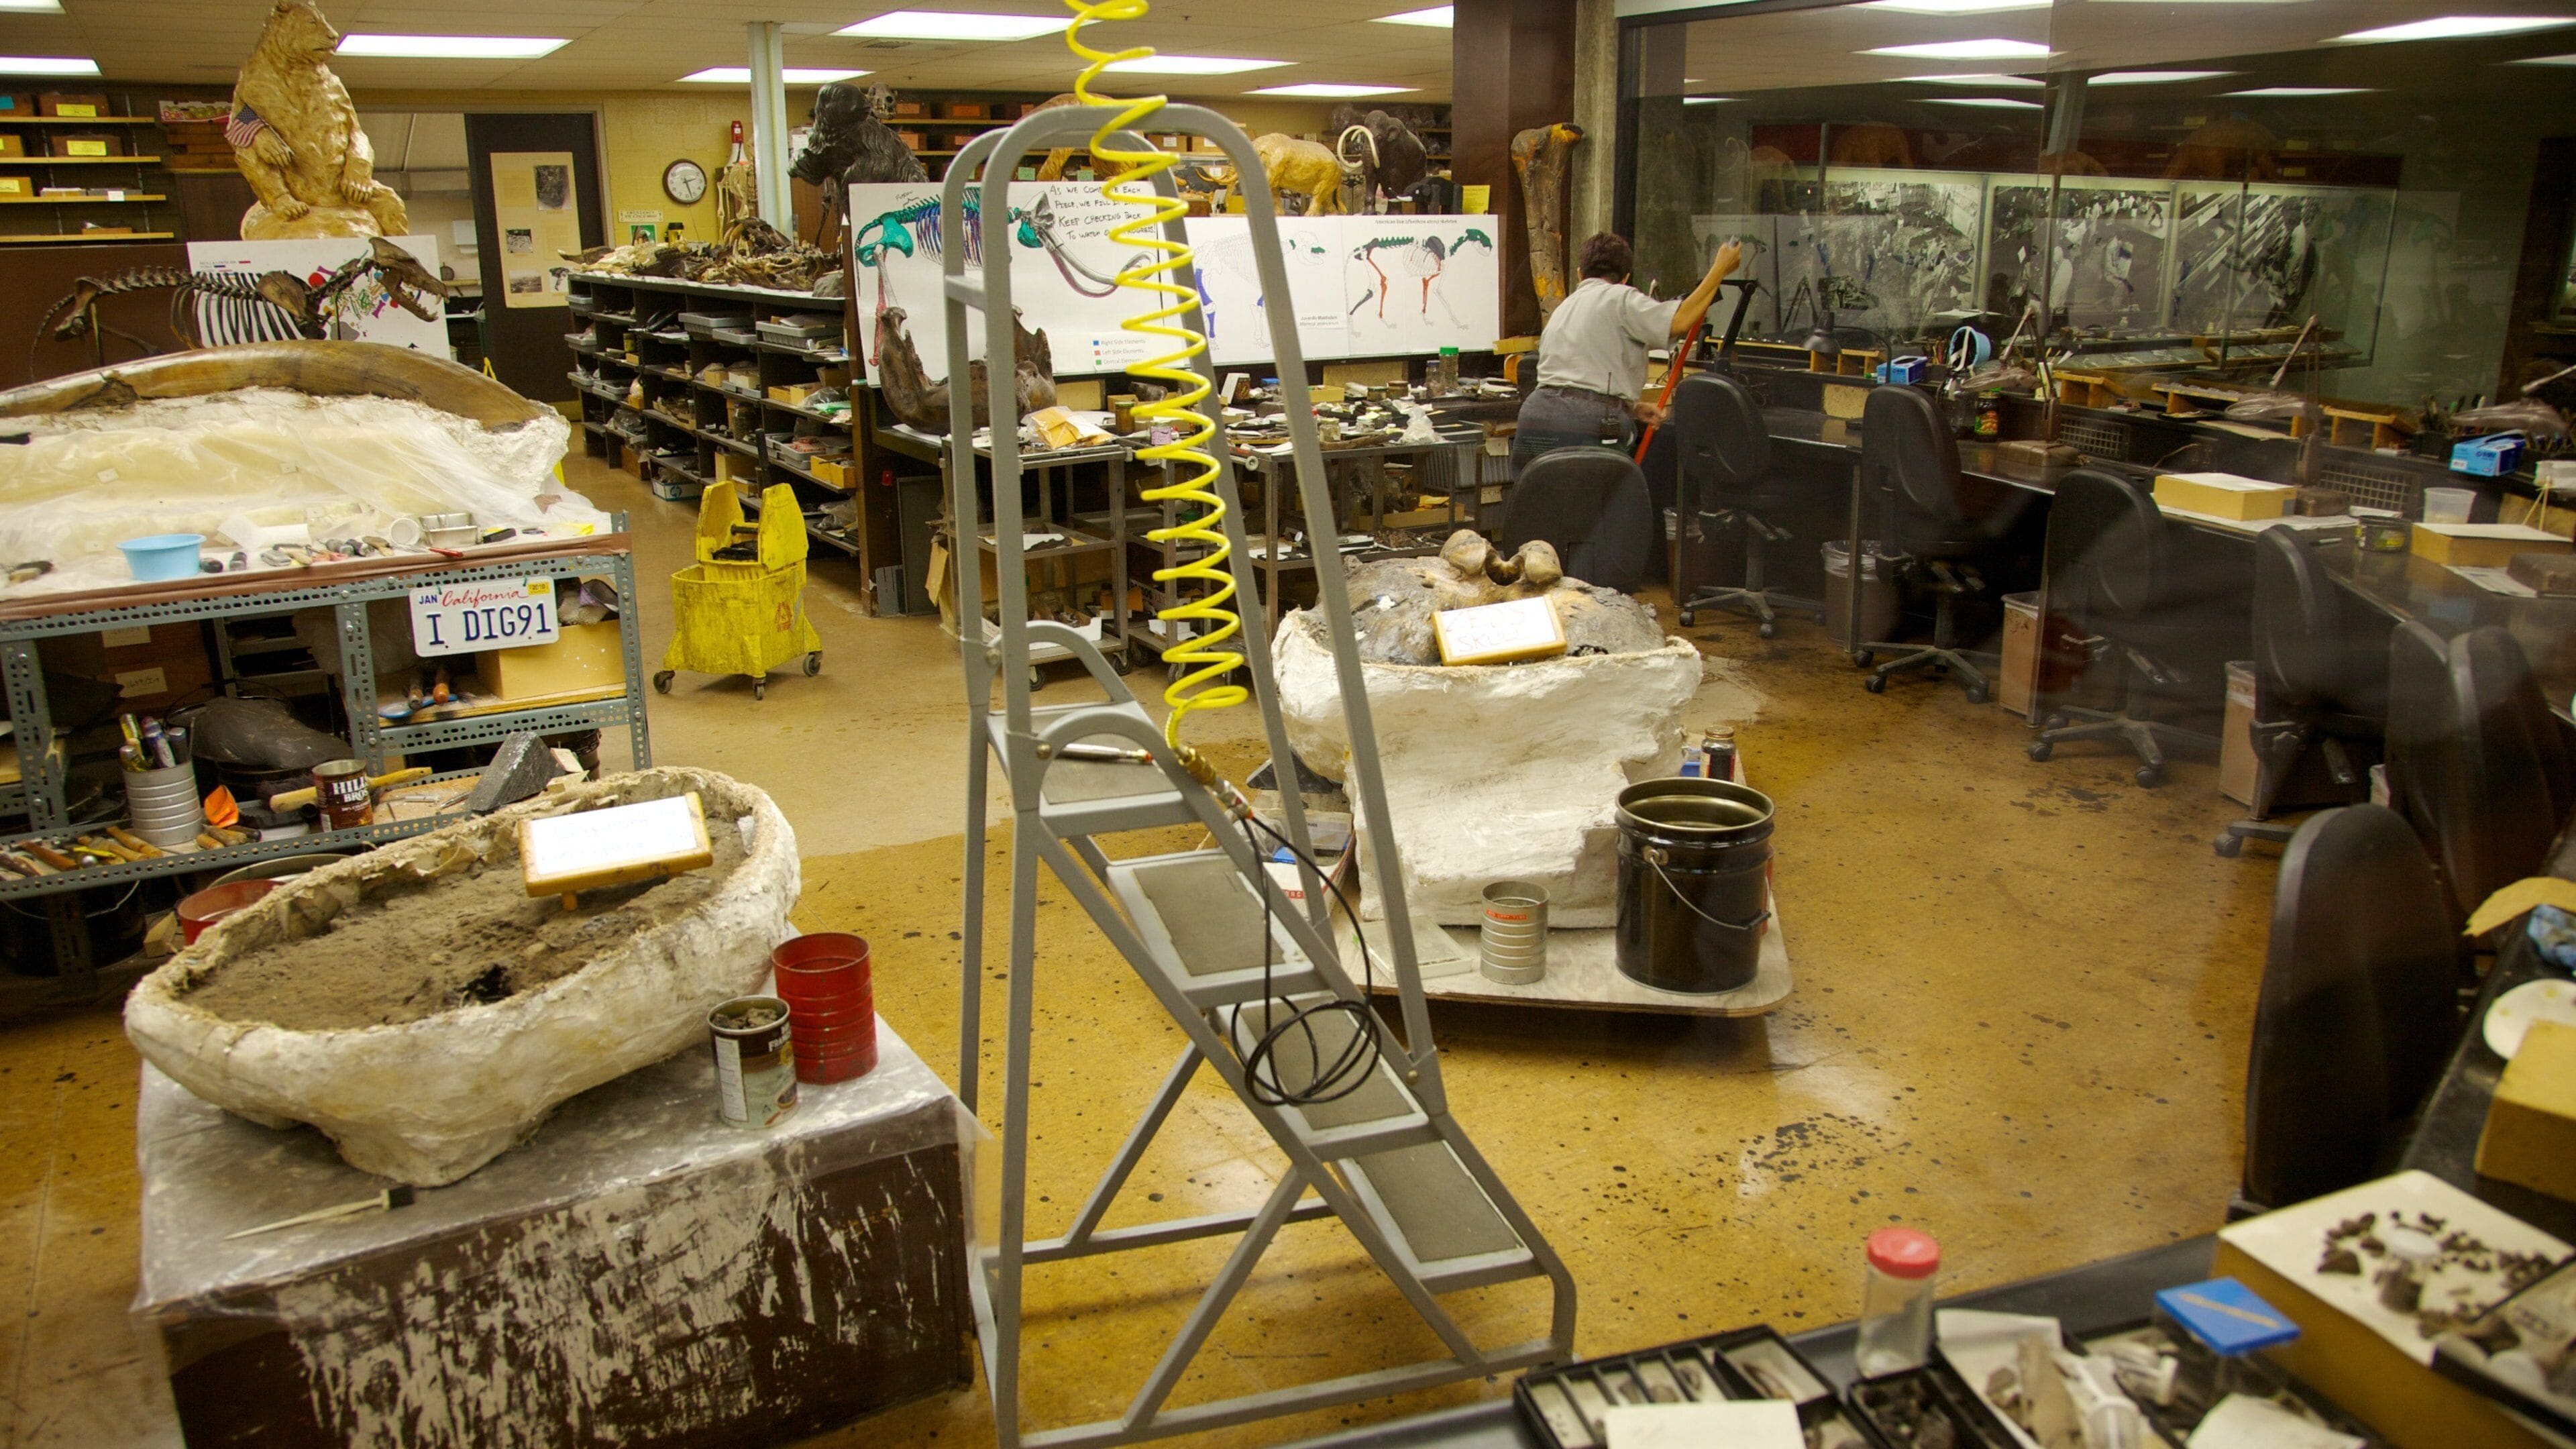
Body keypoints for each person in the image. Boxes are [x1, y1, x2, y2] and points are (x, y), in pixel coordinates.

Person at [1512, 233, 1743, 474]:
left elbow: (1573, 379)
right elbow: (1680, 321)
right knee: (1600, 507)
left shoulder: (1565, 308)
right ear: (1625, 278)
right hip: (1585, 425)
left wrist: (1629, 407)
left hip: (1536, 418)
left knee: (1540, 503)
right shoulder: (1621, 297)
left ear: (1580, 273)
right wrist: (1720, 269)